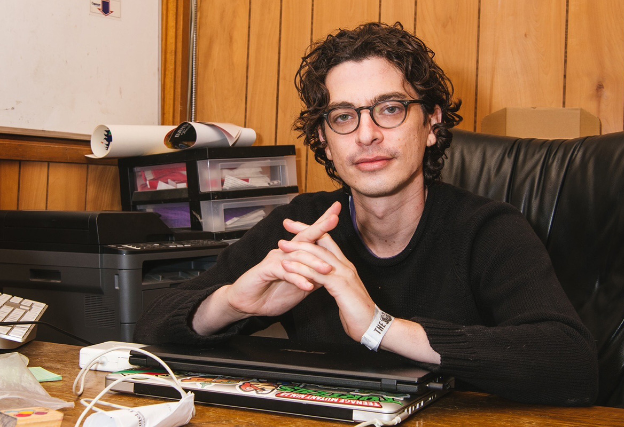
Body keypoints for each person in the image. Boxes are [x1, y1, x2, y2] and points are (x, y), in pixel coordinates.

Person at [134, 22, 598, 406]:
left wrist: (380, 328)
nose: (366, 134)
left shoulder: (488, 230)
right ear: (324, 141)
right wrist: (233, 302)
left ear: (432, 122)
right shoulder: (303, 225)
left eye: (389, 109)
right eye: (343, 116)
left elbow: (571, 365)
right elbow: (151, 324)